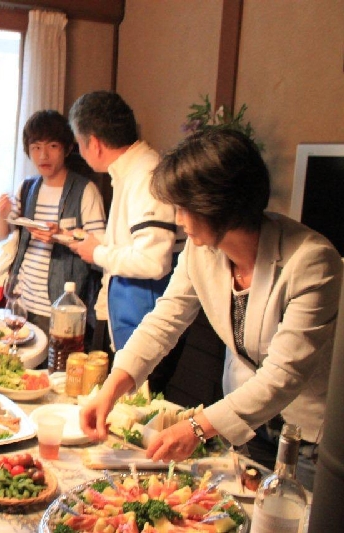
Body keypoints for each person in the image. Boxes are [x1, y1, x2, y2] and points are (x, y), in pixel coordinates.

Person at [80, 129, 342, 490]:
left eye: (184, 206)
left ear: (218, 204)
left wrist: (197, 427)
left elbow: (284, 374)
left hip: (306, 437)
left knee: (293, 512)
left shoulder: (312, 262)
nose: (178, 217)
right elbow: (164, 321)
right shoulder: (201, 250)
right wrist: (111, 388)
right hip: (248, 424)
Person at [69, 91, 186, 392]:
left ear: (94, 143)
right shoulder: (129, 171)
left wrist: (97, 252)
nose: (81, 151)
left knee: (137, 406)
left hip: (148, 320)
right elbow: (133, 242)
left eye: (79, 143)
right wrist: (94, 243)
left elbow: (153, 260)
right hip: (130, 314)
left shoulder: (146, 174)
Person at [0, 109, 106, 340]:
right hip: (22, 301)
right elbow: (1, 234)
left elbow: (100, 248)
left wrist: (61, 236)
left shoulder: (85, 190)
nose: (43, 155)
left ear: (67, 148)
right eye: (36, 147)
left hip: (62, 306)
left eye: (52, 146)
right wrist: (2, 215)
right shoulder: (27, 187)